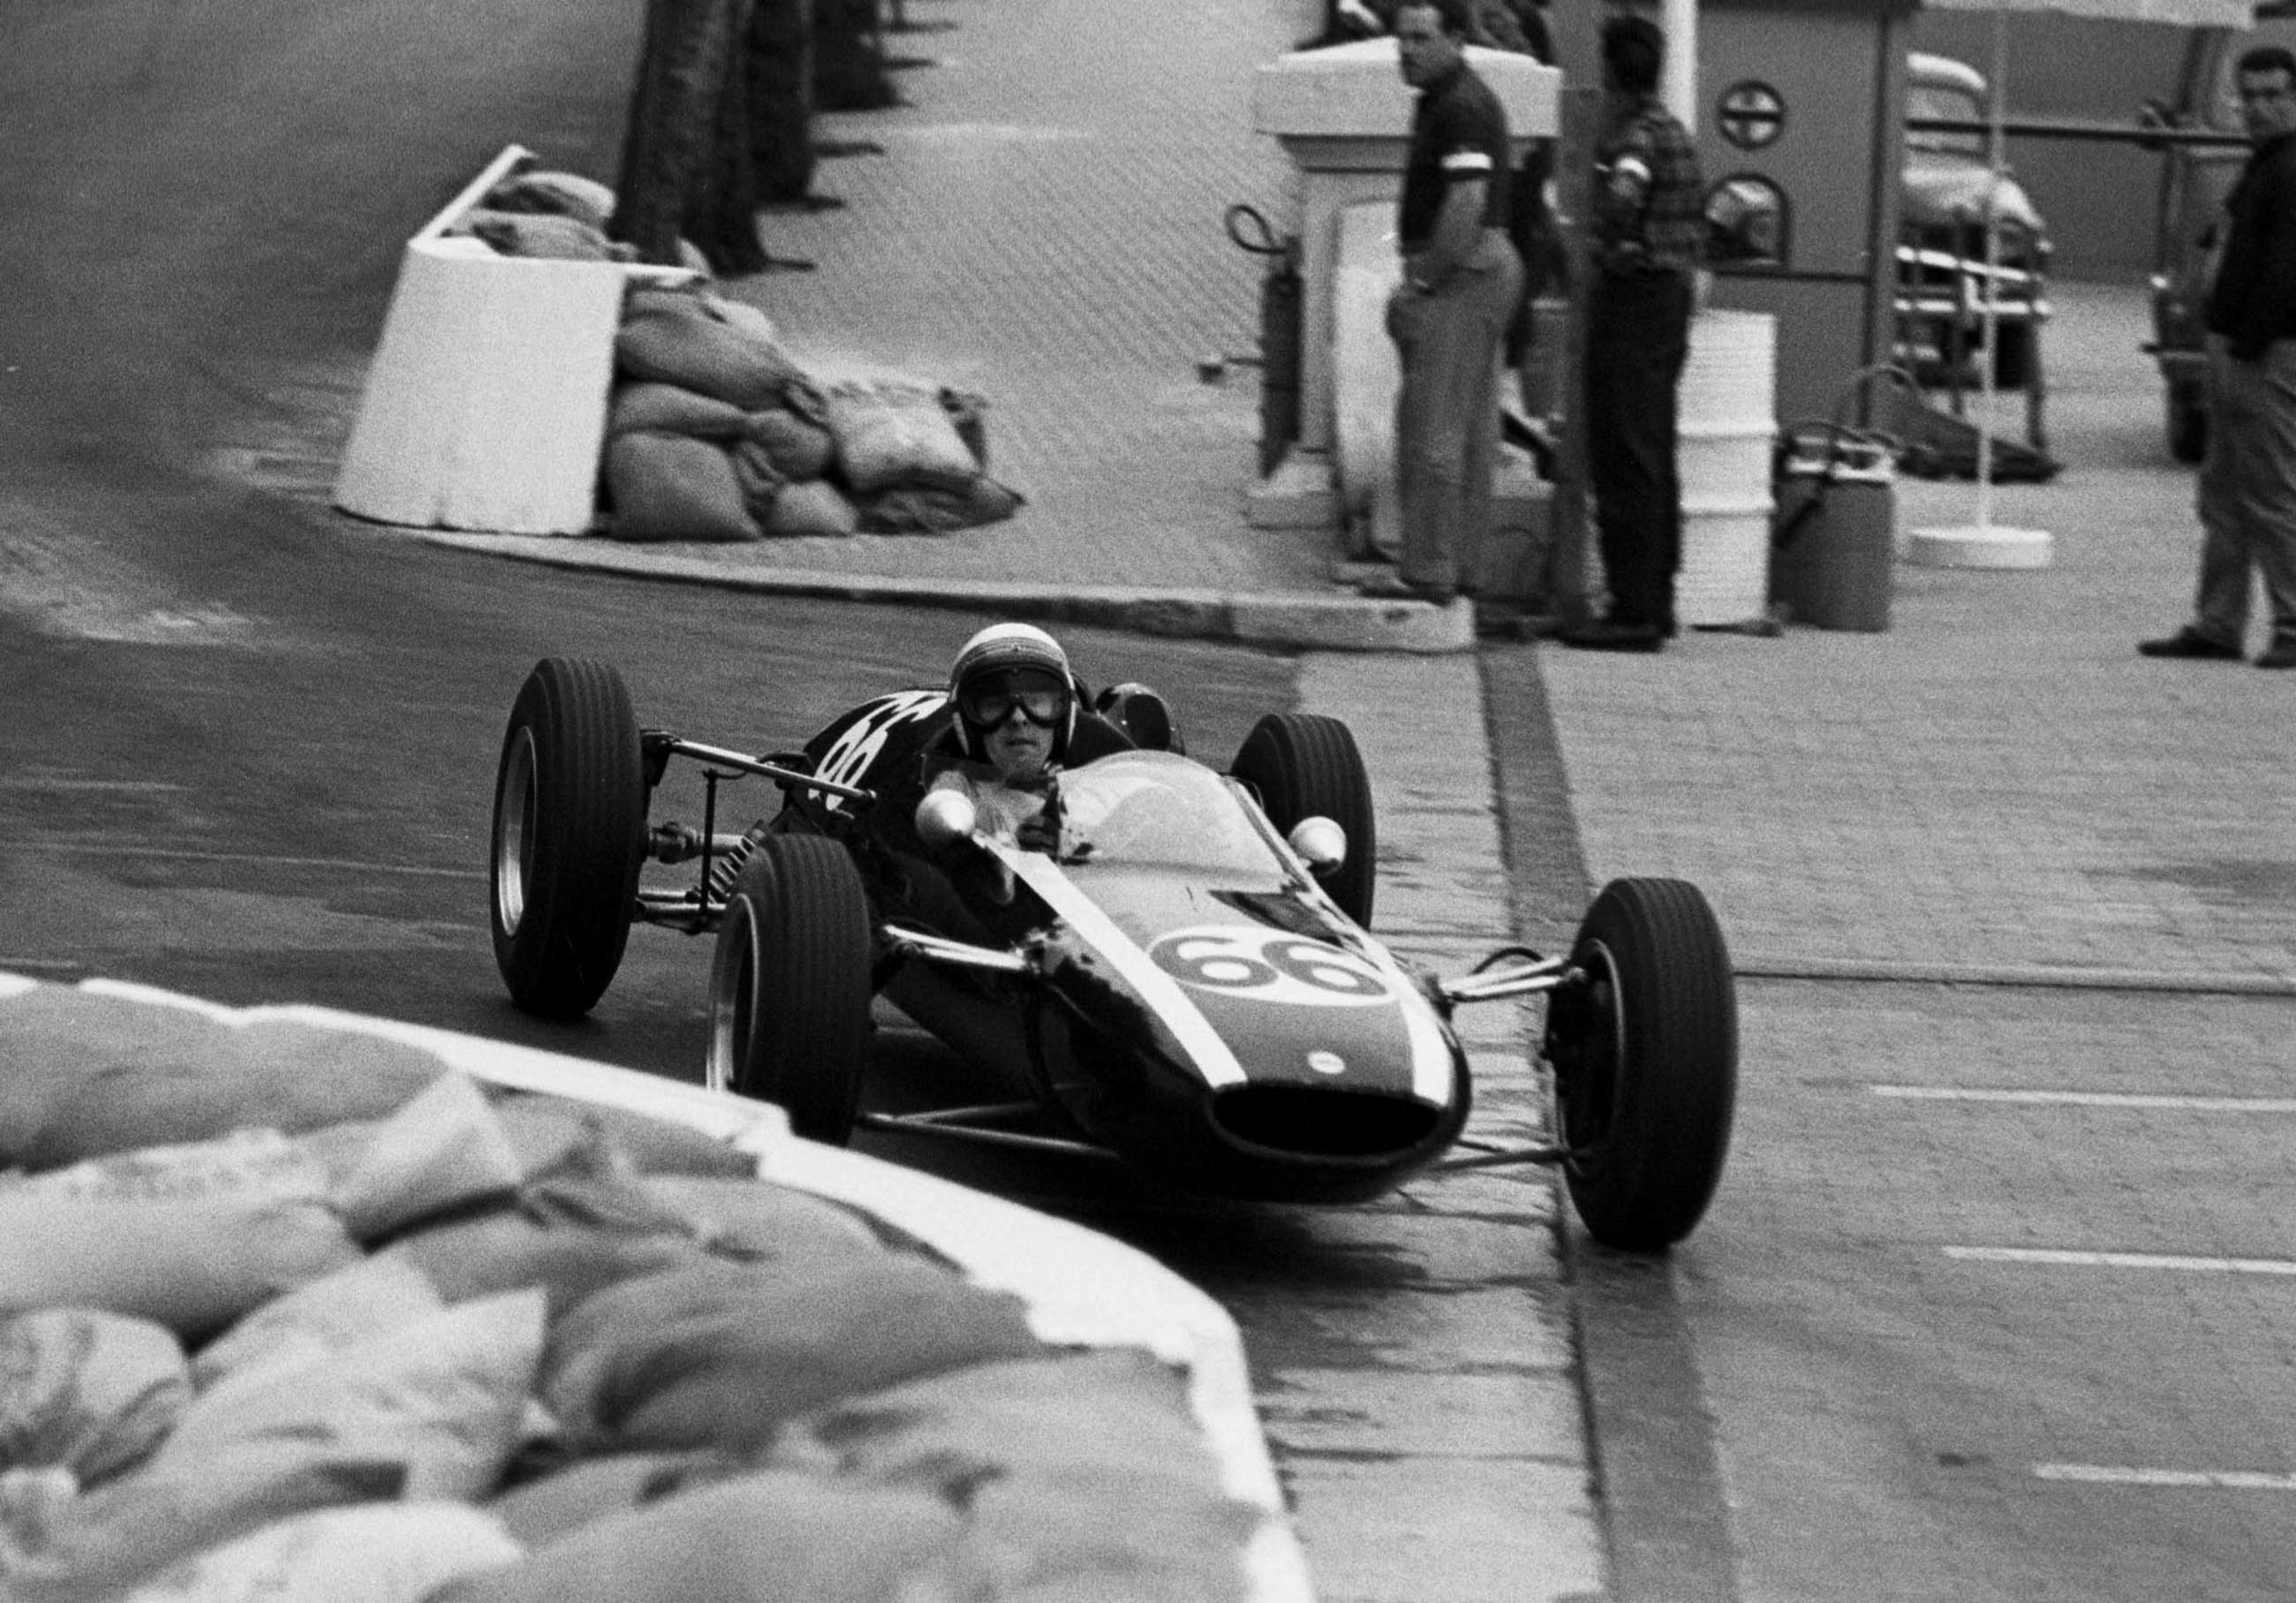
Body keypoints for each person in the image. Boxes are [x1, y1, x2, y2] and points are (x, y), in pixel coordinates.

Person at [1357, 0, 1526, 607]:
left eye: (1422, 38)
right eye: (1402, 38)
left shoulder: (1460, 107)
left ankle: (1428, 571)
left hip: (1462, 271)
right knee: (1471, 431)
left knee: (1431, 429)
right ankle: (1464, 568)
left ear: (1456, 38)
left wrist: (1423, 281)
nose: (1407, 50)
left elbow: (1466, 203)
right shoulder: (1446, 98)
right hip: (1478, 269)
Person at [2138, 42, 2296, 672]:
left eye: (2273, 95)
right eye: (2249, 96)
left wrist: (2250, 341)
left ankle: (2291, 622)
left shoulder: (2290, 168)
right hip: (2236, 348)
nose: (2259, 108)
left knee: (2272, 493)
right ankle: (2219, 623)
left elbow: (2286, 271)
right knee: (2224, 494)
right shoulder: (2265, 164)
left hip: (2267, 353)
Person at [1560, 13, 1704, 654]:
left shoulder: (1636, 139)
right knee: (1655, 448)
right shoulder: (1675, 131)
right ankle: (1658, 597)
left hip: (1633, 302)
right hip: (1670, 300)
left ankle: (1633, 610)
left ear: (1611, 73)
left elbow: (1624, 196)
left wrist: (1607, 244)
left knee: (1624, 452)